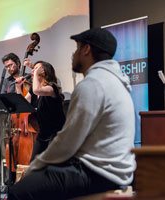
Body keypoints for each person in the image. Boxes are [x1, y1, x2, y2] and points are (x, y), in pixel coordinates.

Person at [8, 27, 136, 200]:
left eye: (76, 48)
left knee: (18, 191)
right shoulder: (115, 81)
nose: (73, 54)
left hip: (97, 174)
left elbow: (69, 142)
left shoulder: (92, 85)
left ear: (86, 50)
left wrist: (36, 166)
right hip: (115, 171)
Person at [15, 61, 66, 161]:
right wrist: (18, 87)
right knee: (34, 164)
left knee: (52, 166)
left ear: (45, 71)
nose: (33, 70)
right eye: (33, 68)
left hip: (56, 135)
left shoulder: (52, 88)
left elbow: (37, 90)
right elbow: (23, 104)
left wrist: (36, 72)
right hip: (43, 133)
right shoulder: (33, 91)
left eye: (36, 68)